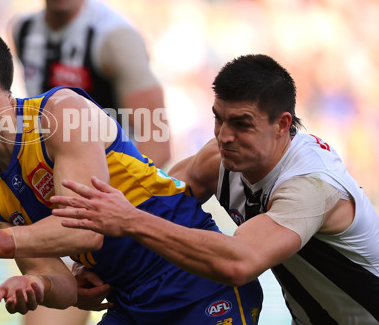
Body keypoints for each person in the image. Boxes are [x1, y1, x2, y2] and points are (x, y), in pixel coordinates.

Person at [0, 25, 263, 324]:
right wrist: (36, 285)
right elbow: (65, 285)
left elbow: (86, 232)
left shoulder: (60, 113)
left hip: (195, 282)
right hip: (130, 302)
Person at [51, 54, 379, 324]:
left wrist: (130, 222)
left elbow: (240, 263)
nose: (224, 135)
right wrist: (91, 266)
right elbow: (157, 208)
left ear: (281, 125)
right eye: (218, 119)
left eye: (241, 124)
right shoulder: (220, 158)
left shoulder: (311, 184)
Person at [10, 0, 171, 169]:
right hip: (57, 176)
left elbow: (157, 143)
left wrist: (111, 200)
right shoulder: (23, 30)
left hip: (111, 184)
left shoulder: (115, 38)